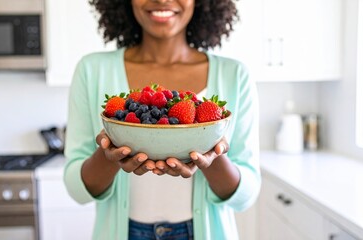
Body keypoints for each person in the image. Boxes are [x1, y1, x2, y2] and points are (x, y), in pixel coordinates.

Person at [64, 0, 261, 239]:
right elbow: (76, 188)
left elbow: (246, 195)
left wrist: (211, 155)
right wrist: (110, 154)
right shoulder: (91, 69)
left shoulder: (235, 75)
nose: (162, 0)